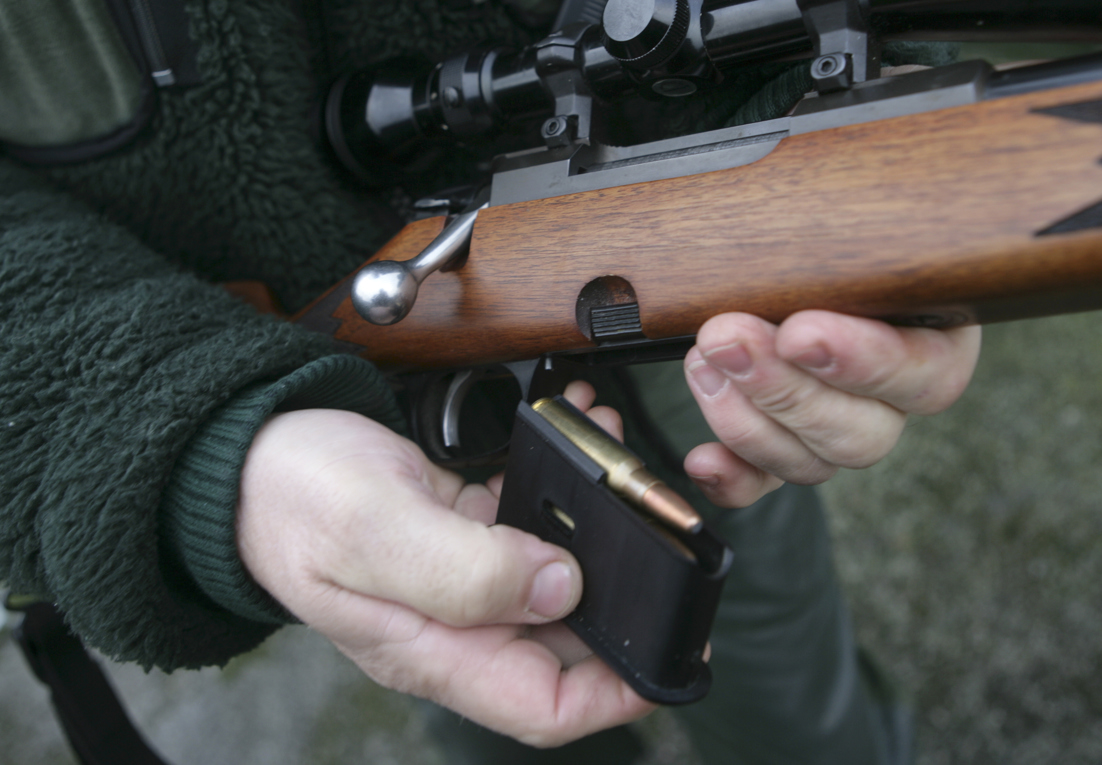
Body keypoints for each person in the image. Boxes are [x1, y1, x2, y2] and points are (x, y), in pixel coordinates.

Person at [0, 0, 979, 761]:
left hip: (701, 337)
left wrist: (857, 120)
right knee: (491, 705)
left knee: (780, 671)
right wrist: (206, 442)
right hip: (364, 423)